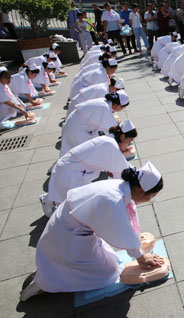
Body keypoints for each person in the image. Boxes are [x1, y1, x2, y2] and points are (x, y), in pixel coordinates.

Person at [20, 161, 164, 302]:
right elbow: (121, 230)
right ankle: (45, 285)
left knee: (110, 258)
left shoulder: (119, 186)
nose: (148, 200)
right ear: (141, 190)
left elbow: (121, 226)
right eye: (150, 197)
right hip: (69, 237)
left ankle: (50, 271)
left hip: (67, 228)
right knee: (108, 274)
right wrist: (141, 257)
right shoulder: (114, 200)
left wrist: (136, 247)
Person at [41, 120, 137, 217]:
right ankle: (49, 202)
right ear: (122, 136)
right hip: (70, 173)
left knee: (69, 198)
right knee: (76, 207)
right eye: (129, 142)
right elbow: (121, 170)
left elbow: (115, 165)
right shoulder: (110, 144)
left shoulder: (108, 140)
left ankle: (49, 199)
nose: (128, 145)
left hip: (69, 168)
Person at [60, 91, 129, 156]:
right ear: (118, 105)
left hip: (74, 125)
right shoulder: (104, 108)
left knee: (71, 154)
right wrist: (122, 145)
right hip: (76, 131)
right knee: (84, 155)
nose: (121, 110)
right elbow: (112, 130)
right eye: (122, 108)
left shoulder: (104, 102)